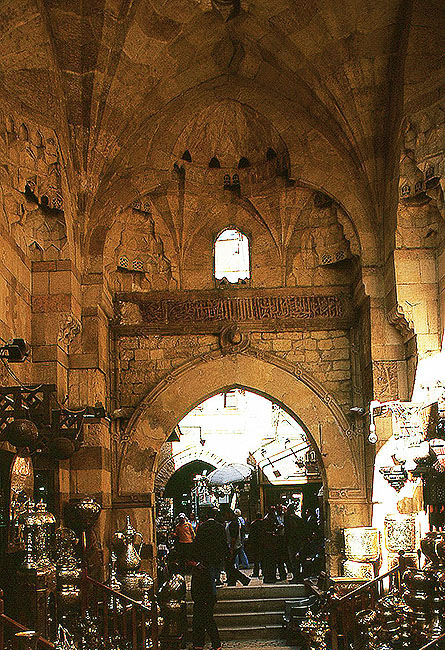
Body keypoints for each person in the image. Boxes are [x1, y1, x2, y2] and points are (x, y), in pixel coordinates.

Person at [193, 508, 228, 591]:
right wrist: (225, 552)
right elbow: (224, 541)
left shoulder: (202, 527)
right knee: (217, 566)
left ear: (206, 516)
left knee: (210, 569)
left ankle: (213, 585)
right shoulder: (220, 527)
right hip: (217, 552)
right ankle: (216, 580)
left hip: (206, 553)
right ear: (215, 516)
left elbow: (198, 541)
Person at [191, 560, 222, 650]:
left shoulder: (202, 570)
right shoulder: (200, 569)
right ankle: (199, 644)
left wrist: (205, 600)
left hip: (204, 600)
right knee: (200, 623)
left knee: (207, 622)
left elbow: (206, 586)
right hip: (202, 600)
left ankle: (215, 645)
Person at [224, 509, 250, 586]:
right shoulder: (232, 522)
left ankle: (244, 579)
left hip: (234, 547)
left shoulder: (233, 523)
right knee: (230, 565)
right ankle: (232, 580)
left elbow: (233, 537)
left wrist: (231, 549)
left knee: (229, 566)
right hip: (234, 546)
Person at [284, 503, 307, 583]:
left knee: (293, 561)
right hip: (298, 541)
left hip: (292, 542)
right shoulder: (298, 518)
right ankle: (298, 576)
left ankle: (296, 577)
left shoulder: (290, 518)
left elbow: (290, 531)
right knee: (297, 560)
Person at [261, 506, 281, 583]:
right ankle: (268, 577)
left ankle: (272, 576)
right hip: (268, 544)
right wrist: (272, 533)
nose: (273, 511)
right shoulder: (266, 519)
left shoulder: (273, 518)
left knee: (272, 562)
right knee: (269, 561)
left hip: (273, 543)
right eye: (272, 510)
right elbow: (264, 532)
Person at [246, 512, 263, 578]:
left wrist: (250, 542)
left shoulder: (253, 524)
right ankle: (263, 572)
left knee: (256, 559)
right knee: (262, 558)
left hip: (255, 543)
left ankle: (256, 572)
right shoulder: (263, 523)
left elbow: (251, 534)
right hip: (262, 542)